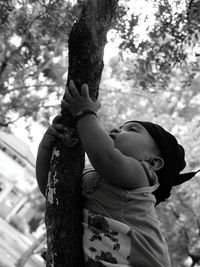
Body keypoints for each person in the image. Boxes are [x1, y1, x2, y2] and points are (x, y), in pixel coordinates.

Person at [36, 80, 198, 267]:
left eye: (131, 130)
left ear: (152, 162)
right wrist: (46, 147)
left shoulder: (141, 178)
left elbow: (105, 157)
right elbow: (53, 191)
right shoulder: (92, 175)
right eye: (120, 127)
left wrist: (85, 113)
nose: (116, 129)